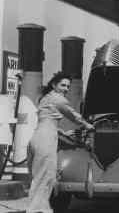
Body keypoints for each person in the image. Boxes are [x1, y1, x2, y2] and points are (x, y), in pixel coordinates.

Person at [26, 72, 94, 213]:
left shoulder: (45, 98)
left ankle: (41, 208)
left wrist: (63, 133)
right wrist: (88, 125)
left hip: (37, 137)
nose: (66, 89)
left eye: (68, 86)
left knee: (40, 177)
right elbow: (73, 115)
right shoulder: (58, 99)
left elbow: (47, 121)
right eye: (63, 85)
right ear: (54, 85)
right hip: (46, 140)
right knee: (45, 178)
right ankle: (36, 210)